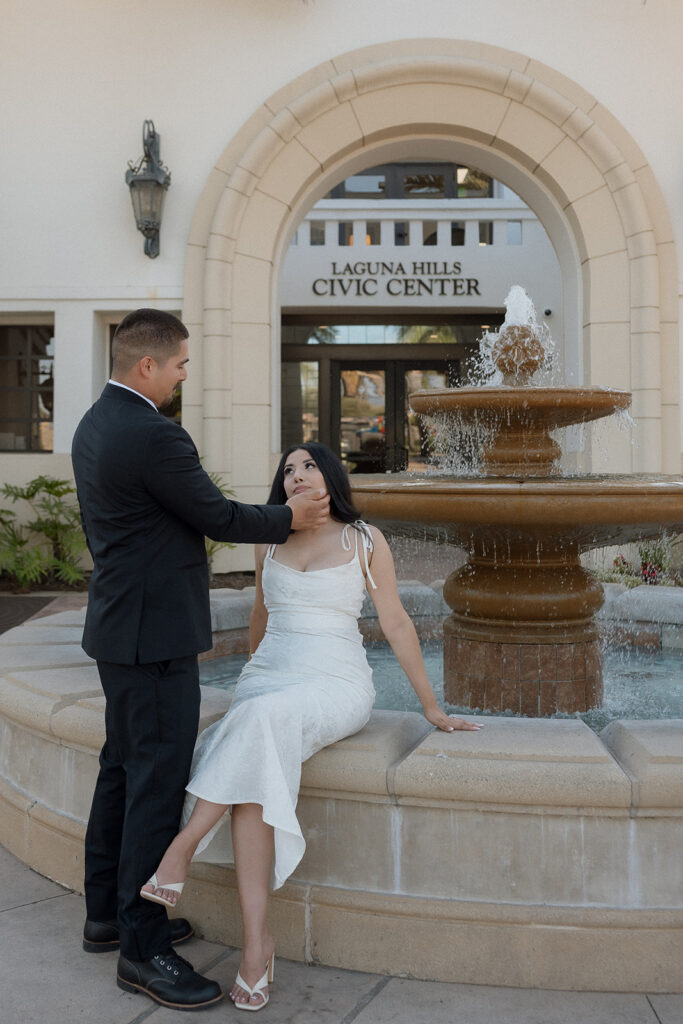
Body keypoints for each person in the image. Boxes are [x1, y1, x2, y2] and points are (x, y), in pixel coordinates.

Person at [140, 442, 482, 1011]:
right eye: (287, 470)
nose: (296, 475)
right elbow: (260, 615)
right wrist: (249, 676)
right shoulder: (271, 538)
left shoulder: (364, 539)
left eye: (308, 466)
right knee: (255, 775)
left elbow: (395, 621)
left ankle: (183, 845)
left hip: (335, 681)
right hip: (268, 679)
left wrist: (431, 707)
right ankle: (257, 948)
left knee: (257, 724)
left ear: (330, 478)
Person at [71, 310, 330, 1012]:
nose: (186, 374)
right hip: (153, 636)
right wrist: (291, 520)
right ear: (147, 366)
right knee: (154, 784)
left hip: (120, 626)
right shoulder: (154, 434)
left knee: (122, 770)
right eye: (181, 364)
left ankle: (108, 914)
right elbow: (215, 515)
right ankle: (141, 947)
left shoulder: (95, 421)